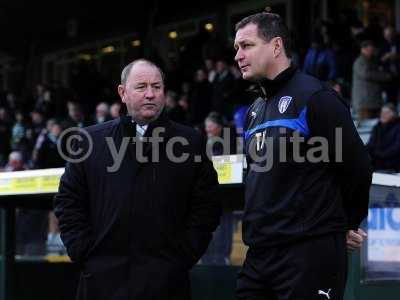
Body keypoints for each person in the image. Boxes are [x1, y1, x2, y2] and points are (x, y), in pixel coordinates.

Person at [54, 59, 221, 300]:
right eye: (141, 87)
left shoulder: (190, 141)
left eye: (157, 86)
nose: (151, 94)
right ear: (123, 93)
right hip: (101, 284)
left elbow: (207, 206)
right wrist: (86, 254)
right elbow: (68, 202)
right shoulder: (89, 141)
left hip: (166, 284)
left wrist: (182, 257)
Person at [233, 13, 372, 300]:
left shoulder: (316, 97)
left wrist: (347, 223)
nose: (238, 55)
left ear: (276, 46)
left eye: (246, 45)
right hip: (259, 254)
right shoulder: (254, 110)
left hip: (309, 252)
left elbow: (357, 166)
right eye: (237, 48)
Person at [366, 103, 400, 172]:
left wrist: (379, 155)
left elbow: (396, 148)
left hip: (392, 164)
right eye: (382, 112)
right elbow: (370, 144)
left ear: (394, 115)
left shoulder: (398, 127)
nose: (383, 115)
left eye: (386, 113)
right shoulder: (377, 127)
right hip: (376, 162)